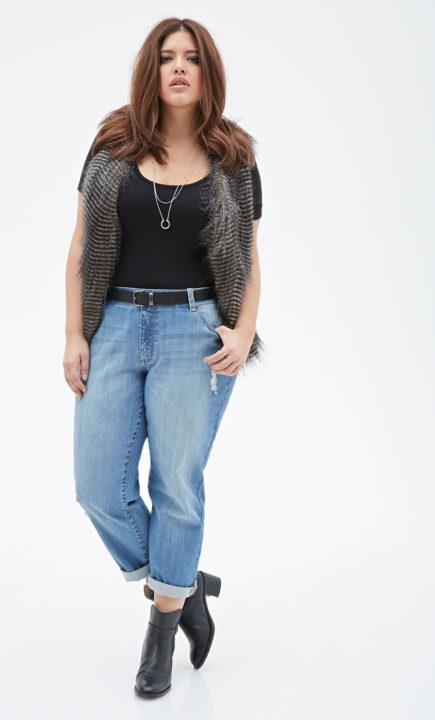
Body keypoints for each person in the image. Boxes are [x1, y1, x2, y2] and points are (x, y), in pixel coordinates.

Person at [63, 17, 264, 699]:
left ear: (209, 73)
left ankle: (161, 631)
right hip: (116, 324)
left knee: (177, 482)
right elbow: (81, 243)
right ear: (150, 70)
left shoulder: (235, 155)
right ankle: (185, 585)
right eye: (167, 57)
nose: (179, 67)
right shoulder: (113, 143)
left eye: (192, 58)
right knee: (97, 485)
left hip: (196, 330)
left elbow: (250, 257)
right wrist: (75, 333)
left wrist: (244, 332)